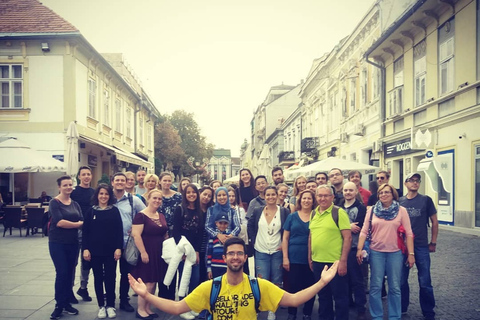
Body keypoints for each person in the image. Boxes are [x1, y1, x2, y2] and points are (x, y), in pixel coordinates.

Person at [128, 237, 340, 320]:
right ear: (225, 257)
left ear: (245, 257)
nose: (236, 257)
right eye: (231, 253)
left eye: (240, 253)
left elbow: (293, 300)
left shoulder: (259, 286)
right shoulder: (209, 287)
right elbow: (176, 308)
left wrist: (322, 282)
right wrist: (146, 295)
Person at [356, 183, 415, 320]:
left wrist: (411, 254)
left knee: (395, 286)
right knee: (376, 286)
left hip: (395, 253)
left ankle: (395, 316)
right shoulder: (371, 210)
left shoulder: (401, 211)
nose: (383, 195)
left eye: (387, 192)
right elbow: (364, 231)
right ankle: (377, 316)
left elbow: (409, 233)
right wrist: (359, 249)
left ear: (393, 194)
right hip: (376, 252)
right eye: (381, 193)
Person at [309, 184, 352, 320]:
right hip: (318, 262)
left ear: (332, 197)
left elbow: (348, 237)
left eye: (326, 195)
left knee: (340, 298)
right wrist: (310, 258)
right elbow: (311, 236)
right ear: (316, 197)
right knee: (323, 297)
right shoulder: (313, 213)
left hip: (335, 262)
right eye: (320, 195)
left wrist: (343, 261)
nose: (323, 198)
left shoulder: (339, 212)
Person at [399, 173, 438, 320]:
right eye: (411, 181)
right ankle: (402, 307)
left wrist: (433, 242)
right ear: (405, 183)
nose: (415, 183)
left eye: (417, 181)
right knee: (401, 279)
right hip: (402, 247)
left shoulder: (426, 200)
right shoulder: (400, 201)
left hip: (421, 245)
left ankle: (428, 311)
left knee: (425, 280)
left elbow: (434, 221)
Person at [248, 186, 289, 320]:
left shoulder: (284, 211)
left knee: (276, 281)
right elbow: (250, 225)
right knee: (261, 280)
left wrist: (284, 245)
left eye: (273, 194)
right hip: (261, 250)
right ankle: (259, 306)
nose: (271, 197)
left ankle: (272, 309)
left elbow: (288, 230)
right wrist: (253, 241)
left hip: (277, 251)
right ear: (264, 197)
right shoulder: (257, 210)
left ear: (277, 195)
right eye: (268, 195)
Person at [82, 184, 123, 319]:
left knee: (111, 278)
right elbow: (85, 232)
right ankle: (101, 306)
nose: (103, 196)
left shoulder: (114, 211)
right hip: (95, 252)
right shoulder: (91, 211)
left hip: (111, 252)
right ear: (97, 196)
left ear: (109, 196)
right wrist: (85, 249)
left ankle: (110, 305)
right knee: (98, 278)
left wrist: (118, 248)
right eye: (101, 194)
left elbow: (119, 231)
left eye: (106, 194)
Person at [48, 175, 84, 320]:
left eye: (70, 185)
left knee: (70, 273)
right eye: (65, 185)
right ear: (59, 187)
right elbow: (59, 222)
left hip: (73, 242)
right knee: (62, 272)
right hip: (57, 243)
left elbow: (82, 219)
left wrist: (76, 224)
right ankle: (59, 305)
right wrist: (76, 225)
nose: (68, 187)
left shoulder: (75, 203)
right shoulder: (54, 202)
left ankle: (67, 302)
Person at [131, 189, 168, 319]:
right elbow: (136, 235)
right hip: (147, 251)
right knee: (147, 282)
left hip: (159, 251)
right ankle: (140, 309)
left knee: (154, 281)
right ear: (148, 199)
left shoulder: (161, 215)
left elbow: (164, 233)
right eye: (155, 198)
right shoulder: (141, 215)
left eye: (160, 199)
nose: (157, 201)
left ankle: (147, 307)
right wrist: (143, 252)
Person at [112, 172, 146, 313]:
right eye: (117, 180)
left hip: (128, 244)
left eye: (122, 180)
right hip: (109, 243)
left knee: (126, 274)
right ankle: (109, 301)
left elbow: (145, 216)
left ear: (126, 183)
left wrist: (136, 227)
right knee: (109, 274)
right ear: (112, 183)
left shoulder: (133, 200)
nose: (120, 182)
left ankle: (124, 300)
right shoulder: (107, 199)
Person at [282, 190, 317, 320]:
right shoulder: (292, 216)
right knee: (293, 286)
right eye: (304, 198)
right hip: (294, 256)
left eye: (309, 198)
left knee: (310, 286)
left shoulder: (317, 216)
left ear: (313, 201)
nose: (306, 201)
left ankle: (307, 313)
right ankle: (292, 313)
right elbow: (285, 238)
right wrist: (285, 257)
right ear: (300, 200)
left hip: (312, 257)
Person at [172, 184, 204, 320]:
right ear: (185, 194)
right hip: (182, 250)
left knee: (194, 279)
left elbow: (200, 233)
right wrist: (183, 252)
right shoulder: (179, 209)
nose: (191, 194)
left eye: (194, 192)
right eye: (188, 192)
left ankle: (192, 305)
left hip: (194, 250)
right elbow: (176, 232)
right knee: (183, 278)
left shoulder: (199, 211)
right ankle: (182, 307)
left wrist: (196, 251)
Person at [341, 182, 367, 320]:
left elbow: (359, 227)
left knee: (357, 280)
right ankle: (347, 304)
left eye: (351, 190)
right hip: (338, 248)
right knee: (342, 279)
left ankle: (361, 309)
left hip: (354, 248)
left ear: (356, 191)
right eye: (346, 190)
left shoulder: (361, 208)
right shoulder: (337, 206)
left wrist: (344, 226)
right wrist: (347, 226)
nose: (348, 192)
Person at [70, 165, 95, 302]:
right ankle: (69, 290)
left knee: (87, 261)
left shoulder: (94, 192)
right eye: (84, 174)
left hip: (90, 231)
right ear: (79, 177)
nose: (86, 177)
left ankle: (83, 288)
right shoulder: (73, 192)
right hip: (76, 230)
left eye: (88, 174)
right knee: (73, 262)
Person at [207, 213, 231, 279]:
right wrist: (209, 269)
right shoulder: (213, 237)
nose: (223, 225)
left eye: (225, 223)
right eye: (220, 223)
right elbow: (209, 254)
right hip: (214, 267)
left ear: (228, 224)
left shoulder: (229, 236)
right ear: (216, 223)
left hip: (226, 267)